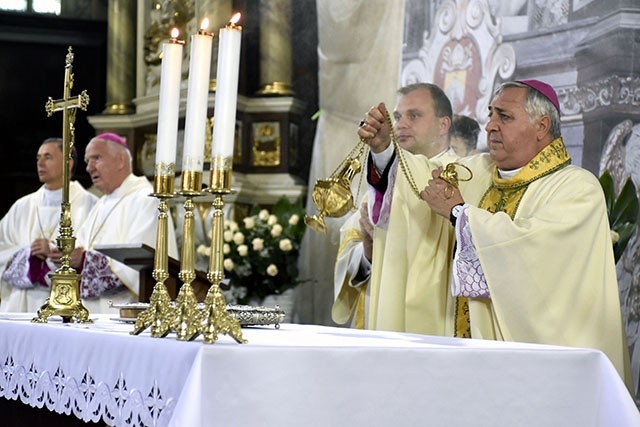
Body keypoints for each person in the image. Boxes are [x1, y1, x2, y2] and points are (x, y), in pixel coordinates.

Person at [420, 80, 632, 387]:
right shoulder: (475, 172)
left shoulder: (577, 188)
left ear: (541, 126)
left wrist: (459, 214)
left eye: (504, 116)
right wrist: (383, 153)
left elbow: (536, 259)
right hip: (468, 364)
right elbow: (416, 179)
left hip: (544, 373)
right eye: (491, 114)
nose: (490, 125)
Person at [333, 83, 460, 336]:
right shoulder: (382, 179)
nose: (401, 124)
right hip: (379, 316)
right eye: (398, 116)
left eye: (414, 115)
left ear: (443, 125)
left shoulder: (462, 177)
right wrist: (368, 252)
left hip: (435, 324)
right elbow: (350, 260)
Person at [49, 132, 179, 313]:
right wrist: (66, 256)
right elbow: (81, 247)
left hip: (126, 316)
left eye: (96, 158)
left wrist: (84, 260)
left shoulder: (147, 200)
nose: (89, 168)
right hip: (90, 314)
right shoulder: (101, 203)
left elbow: (141, 265)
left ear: (121, 161)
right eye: (87, 161)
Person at [0, 137, 97, 312]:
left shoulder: (90, 206)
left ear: (68, 163)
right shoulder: (22, 206)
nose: (40, 163)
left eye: (48, 157)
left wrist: (55, 252)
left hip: (69, 305)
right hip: (22, 305)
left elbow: (95, 256)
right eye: (38, 158)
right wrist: (29, 254)